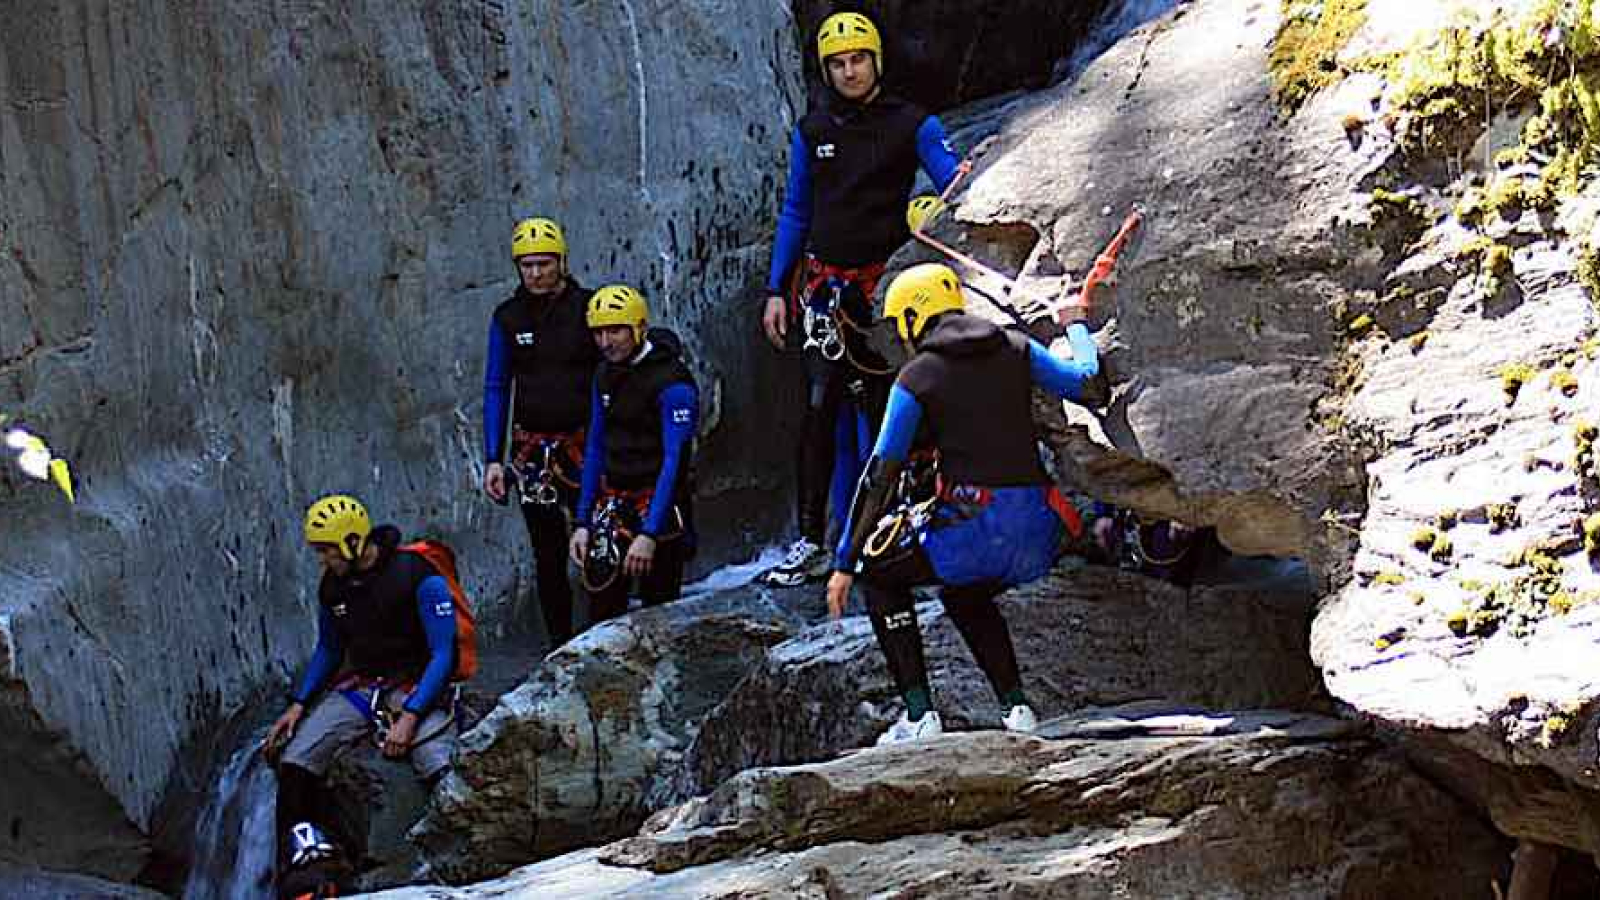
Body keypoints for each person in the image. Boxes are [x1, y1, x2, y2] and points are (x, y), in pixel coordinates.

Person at [826, 263, 1101, 746]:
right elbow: (1087, 383)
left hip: (973, 534)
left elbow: (880, 473)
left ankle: (919, 716)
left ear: (915, 317)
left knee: (880, 574)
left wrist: (847, 559)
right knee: (964, 593)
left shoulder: (918, 376)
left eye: (901, 325)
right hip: (1040, 533)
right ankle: (1016, 709)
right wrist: (1074, 322)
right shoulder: (1015, 347)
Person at [759, 11, 963, 587]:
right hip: (823, 289)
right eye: (839, 64)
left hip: (883, 293)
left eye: (858, 60)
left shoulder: (912, 124)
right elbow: (797, 210)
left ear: (877, 61)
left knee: (883, 412)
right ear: (826, 71)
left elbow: (953, 182)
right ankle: (810, 540)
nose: (850, 71)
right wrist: (777, 288)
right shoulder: (814, 131)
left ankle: (878, 533)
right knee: (819, 411)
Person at [261, 495, 462, 898]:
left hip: (418, 683)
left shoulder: (416, 575)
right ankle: (303, 868)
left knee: (436, 764)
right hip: (365, 687)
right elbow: (329, 651)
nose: (322, 560)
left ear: (353, 543)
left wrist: (411, 715)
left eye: (326, 550)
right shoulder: (333, 587)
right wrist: (299, 704)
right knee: (297, 761)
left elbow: (445, 652)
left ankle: (457, 863)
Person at [482, 217, 598, 648]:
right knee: (547, 554)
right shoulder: (509, 318)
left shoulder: (588, 309)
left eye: (544, 264)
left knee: (599, 540)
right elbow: (496, 386)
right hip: (533, 454)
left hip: (584, 445)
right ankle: (560, 645)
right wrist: (494, 455)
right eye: (527, 265)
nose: (535, 274)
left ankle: (607, 630)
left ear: (561, 263)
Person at [568, 285, 698, 622]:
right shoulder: (604, 374)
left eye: (615, 331)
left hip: (659, 508)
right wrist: (582, 521)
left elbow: (674, 460)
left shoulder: (673, 384)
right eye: (598, 333)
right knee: (601, 610)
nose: (606, 342)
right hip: (614, 506)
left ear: (637, 328)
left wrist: (649, 533)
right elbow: (595, 446)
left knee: (659, 614)